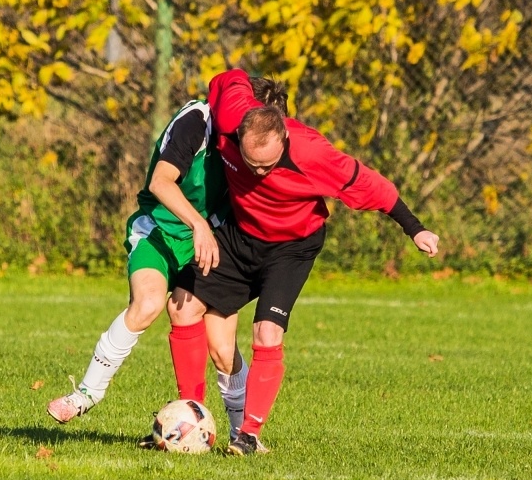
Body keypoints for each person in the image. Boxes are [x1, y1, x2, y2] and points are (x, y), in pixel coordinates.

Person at [165, 68, 440, 456]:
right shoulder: (231, 117)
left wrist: (416, 230)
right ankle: (189, 417)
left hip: (292, 248)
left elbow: (375, 188)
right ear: (239, 136)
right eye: (250, 163)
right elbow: (231, 77)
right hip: (241, 235)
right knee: (182, 306)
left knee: (267, 333)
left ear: (285, 139)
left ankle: (249, 434)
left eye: (268, 166)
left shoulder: (313, 153)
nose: (258, 173)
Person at [47, 81, 289, 442]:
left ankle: (240, 436)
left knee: (223, 349)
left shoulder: (256, 147)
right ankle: (86, 393)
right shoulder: (197, 121)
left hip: (210, 244)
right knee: (147, 304)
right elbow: (161, 182)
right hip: (159, 231)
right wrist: (198, 224)